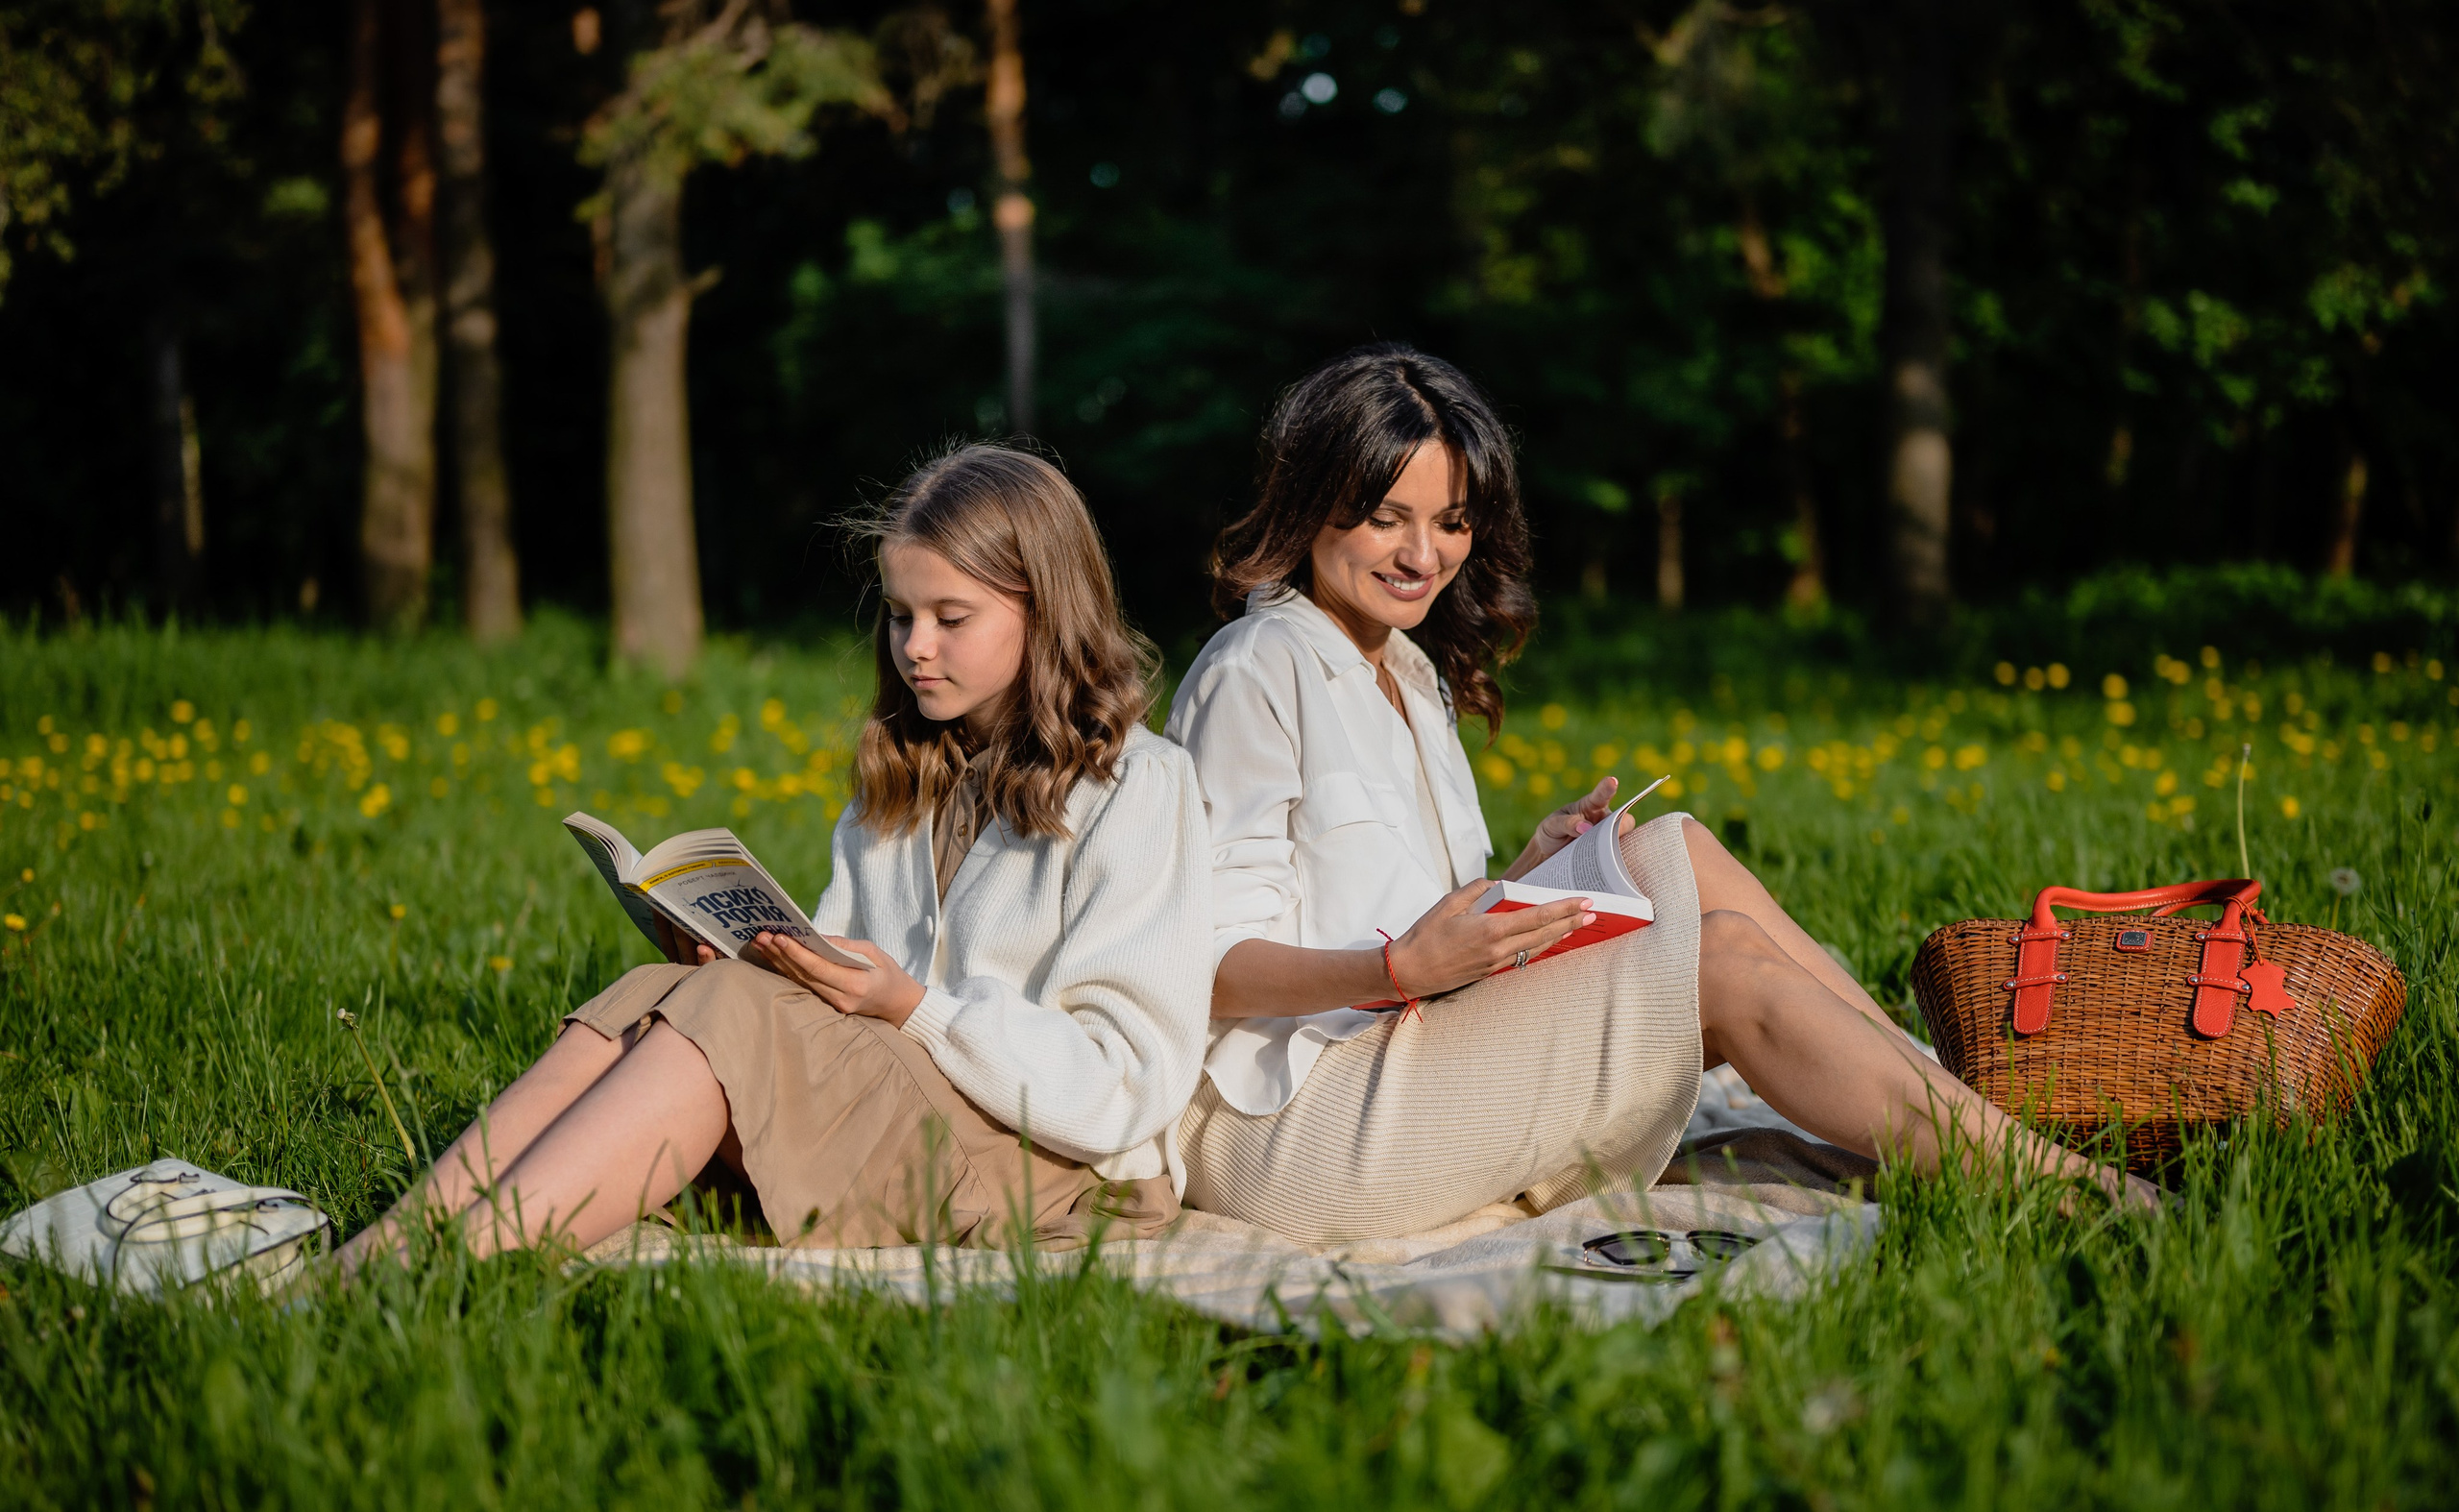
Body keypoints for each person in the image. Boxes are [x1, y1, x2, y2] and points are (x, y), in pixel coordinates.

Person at [1166, 343, 2154, 1244]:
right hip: (1293, 1122)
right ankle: (2076, 1198)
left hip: (1406, 1036)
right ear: (1308, 504)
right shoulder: (1256, 666)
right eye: (1387, 517)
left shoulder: (1408, 674)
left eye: (1450, 520)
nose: (1423, 554)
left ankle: (1959, 1110)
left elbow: (1392, 907)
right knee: (1714, 963)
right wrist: (1401, 967)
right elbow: (1204, 965)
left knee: (1672, 847)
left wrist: (1522, 874)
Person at [339, 445, 1211, 1266]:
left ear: (1047, 609)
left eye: (952, 618)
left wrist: (915, 1007)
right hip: (907, 1106)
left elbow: (1122, 1083)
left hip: (1050, 1161)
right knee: (667, 992)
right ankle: (393, 1246)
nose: (915, 648)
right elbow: (827, 1003)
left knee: (730, 1014)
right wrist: (755, 959)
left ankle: (463, 1262)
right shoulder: (907, 776)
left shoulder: (1138, 788)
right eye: (901, 615)